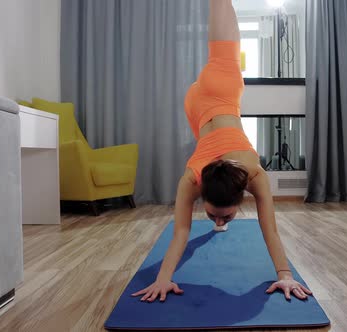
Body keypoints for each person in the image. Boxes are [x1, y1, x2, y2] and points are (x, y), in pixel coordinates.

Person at [132, 0, 312, 303]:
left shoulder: (210, 178)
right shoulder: (201, 178)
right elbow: (182, 233)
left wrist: (287, 275)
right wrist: (162, 279)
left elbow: (183, 232)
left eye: (218, 217)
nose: (218, 220)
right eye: (218, 217)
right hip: (208, 100)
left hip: (207, 101)